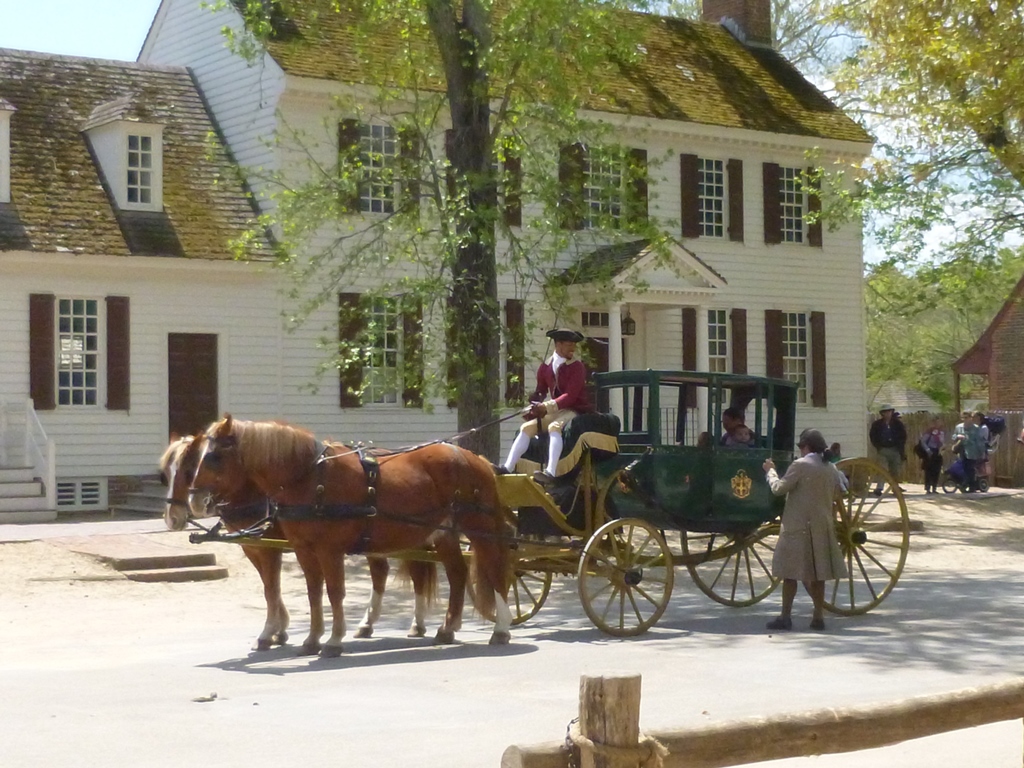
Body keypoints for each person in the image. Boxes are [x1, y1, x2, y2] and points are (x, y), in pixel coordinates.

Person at [762, 429, 847, 631]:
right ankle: (818, 617)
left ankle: (785, 616)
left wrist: (770, 471)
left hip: (797, 525)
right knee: (819, 573)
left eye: (801, 447)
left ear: (806, 447)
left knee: (789, 573)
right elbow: (841, 490)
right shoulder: (831, 468)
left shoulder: (800, 465)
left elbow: (778, 489)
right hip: (822, 525)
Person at [499, 328, 592, 485]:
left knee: (554, 427)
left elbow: (570, 396)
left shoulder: (577, 367)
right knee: (526, 428)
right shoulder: (545, 367)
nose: (573, 348)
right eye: (569, 344)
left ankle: (550, 471)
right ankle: (507, 467)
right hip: (557, 409)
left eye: (574, 345)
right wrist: (534, 402)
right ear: (558, 344)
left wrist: (546, 407)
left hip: (575, 409)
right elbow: (541, 391)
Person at [869, 404, 907, 495]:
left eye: (889, 411)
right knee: (882, 469)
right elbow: (873, 436)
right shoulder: (877, 424)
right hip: (883, 449)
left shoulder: (897, 424)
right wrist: (878, 446)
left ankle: (895, 487)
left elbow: (903, 435)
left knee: (895, 470)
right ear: (882, 413)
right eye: (885, 412)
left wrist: (900, 447)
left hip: (895, 449)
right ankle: (879, 488)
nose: (887, 413)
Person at [952, 411, 987, 492]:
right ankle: (965, 485)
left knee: (970, 468)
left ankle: (970, 486)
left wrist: (982, 452)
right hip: (962, 450)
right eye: (963, 418)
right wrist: (957, 436)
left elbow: (979, 441)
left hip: (972, 451)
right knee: (964, 468)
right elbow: (953, 437)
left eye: (966, 417)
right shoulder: (959, 427)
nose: (965, 419)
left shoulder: (976, 428)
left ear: (971, 418)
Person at [918, 417, 945, 494]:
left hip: (938, 452)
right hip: (930, 452)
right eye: (936, 422)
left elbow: (942, 442)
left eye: (939, 422)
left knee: (937, 470)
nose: (937, 424)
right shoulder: (929, 432)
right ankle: (928, 488)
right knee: (928, 470)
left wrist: (942, 447)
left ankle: (934, 487)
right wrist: (928, 450)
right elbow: (923, 442)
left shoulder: (941, 433)